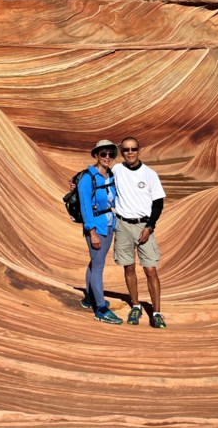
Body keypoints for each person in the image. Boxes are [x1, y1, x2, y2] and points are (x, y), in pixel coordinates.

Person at [110, 137, 167, 328]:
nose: (130, 152)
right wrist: (76, 183)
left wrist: (149, 227)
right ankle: (136, 306)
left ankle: (157, 312)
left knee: (150, 269)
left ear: (139, 150)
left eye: (133, 149)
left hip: (144, 226)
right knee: (129, 267)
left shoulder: (150, 174)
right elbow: (96, 173)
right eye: (126, 150)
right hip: (123, 224)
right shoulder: (117, 170)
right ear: (121, 152)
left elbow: (158, 203)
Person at [78, 139, 123, 324]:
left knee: (95, 262)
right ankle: (101, 309)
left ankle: (89, 298)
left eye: (110, 154)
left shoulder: (110, 175)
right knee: (98, 267)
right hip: (96, 227)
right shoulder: (88, 177)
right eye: (103, 154)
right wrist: (92, 232)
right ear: (96, 155)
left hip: (109, 224)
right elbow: (85, 206)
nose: (107, 157)